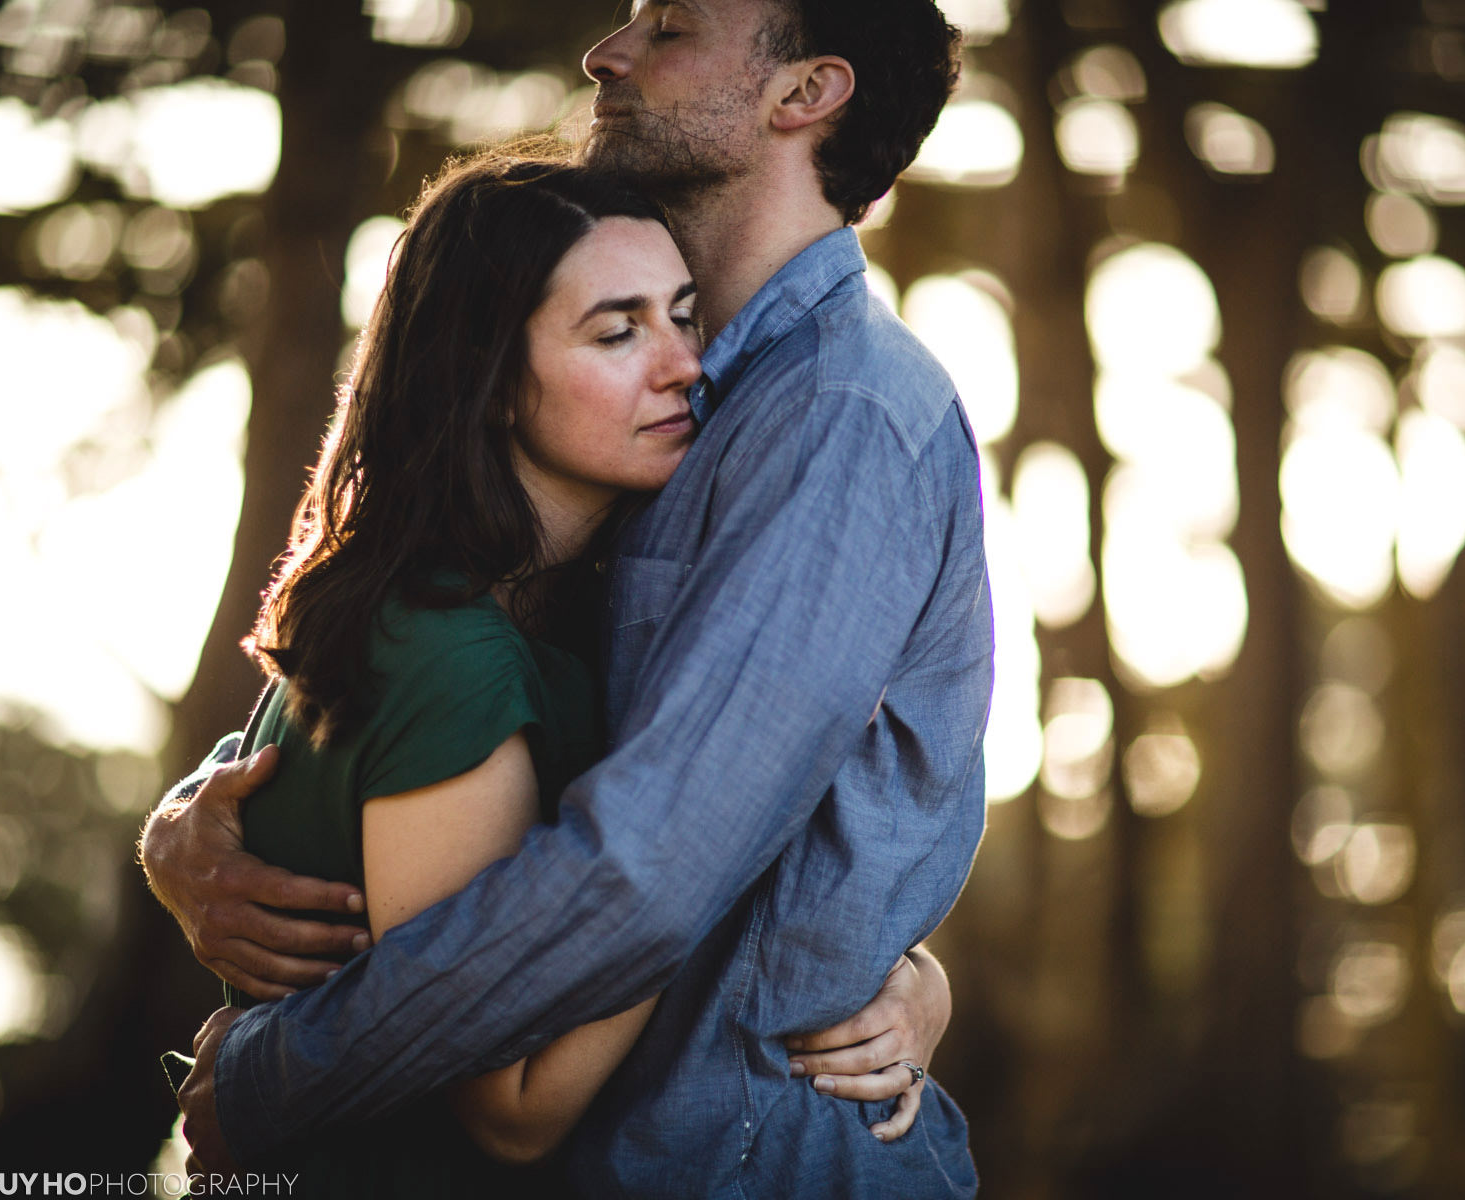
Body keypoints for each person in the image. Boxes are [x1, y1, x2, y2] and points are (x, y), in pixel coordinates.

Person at [142, 1, 990, 1194]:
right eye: (623, 329)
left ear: (804, 95)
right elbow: (447, 662)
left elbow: (658, 861)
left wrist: (283, 1073)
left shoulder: (832, 420)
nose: (608, 50)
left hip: (744, 1163)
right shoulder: (674, 412)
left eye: (673, 25)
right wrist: (188, 824)